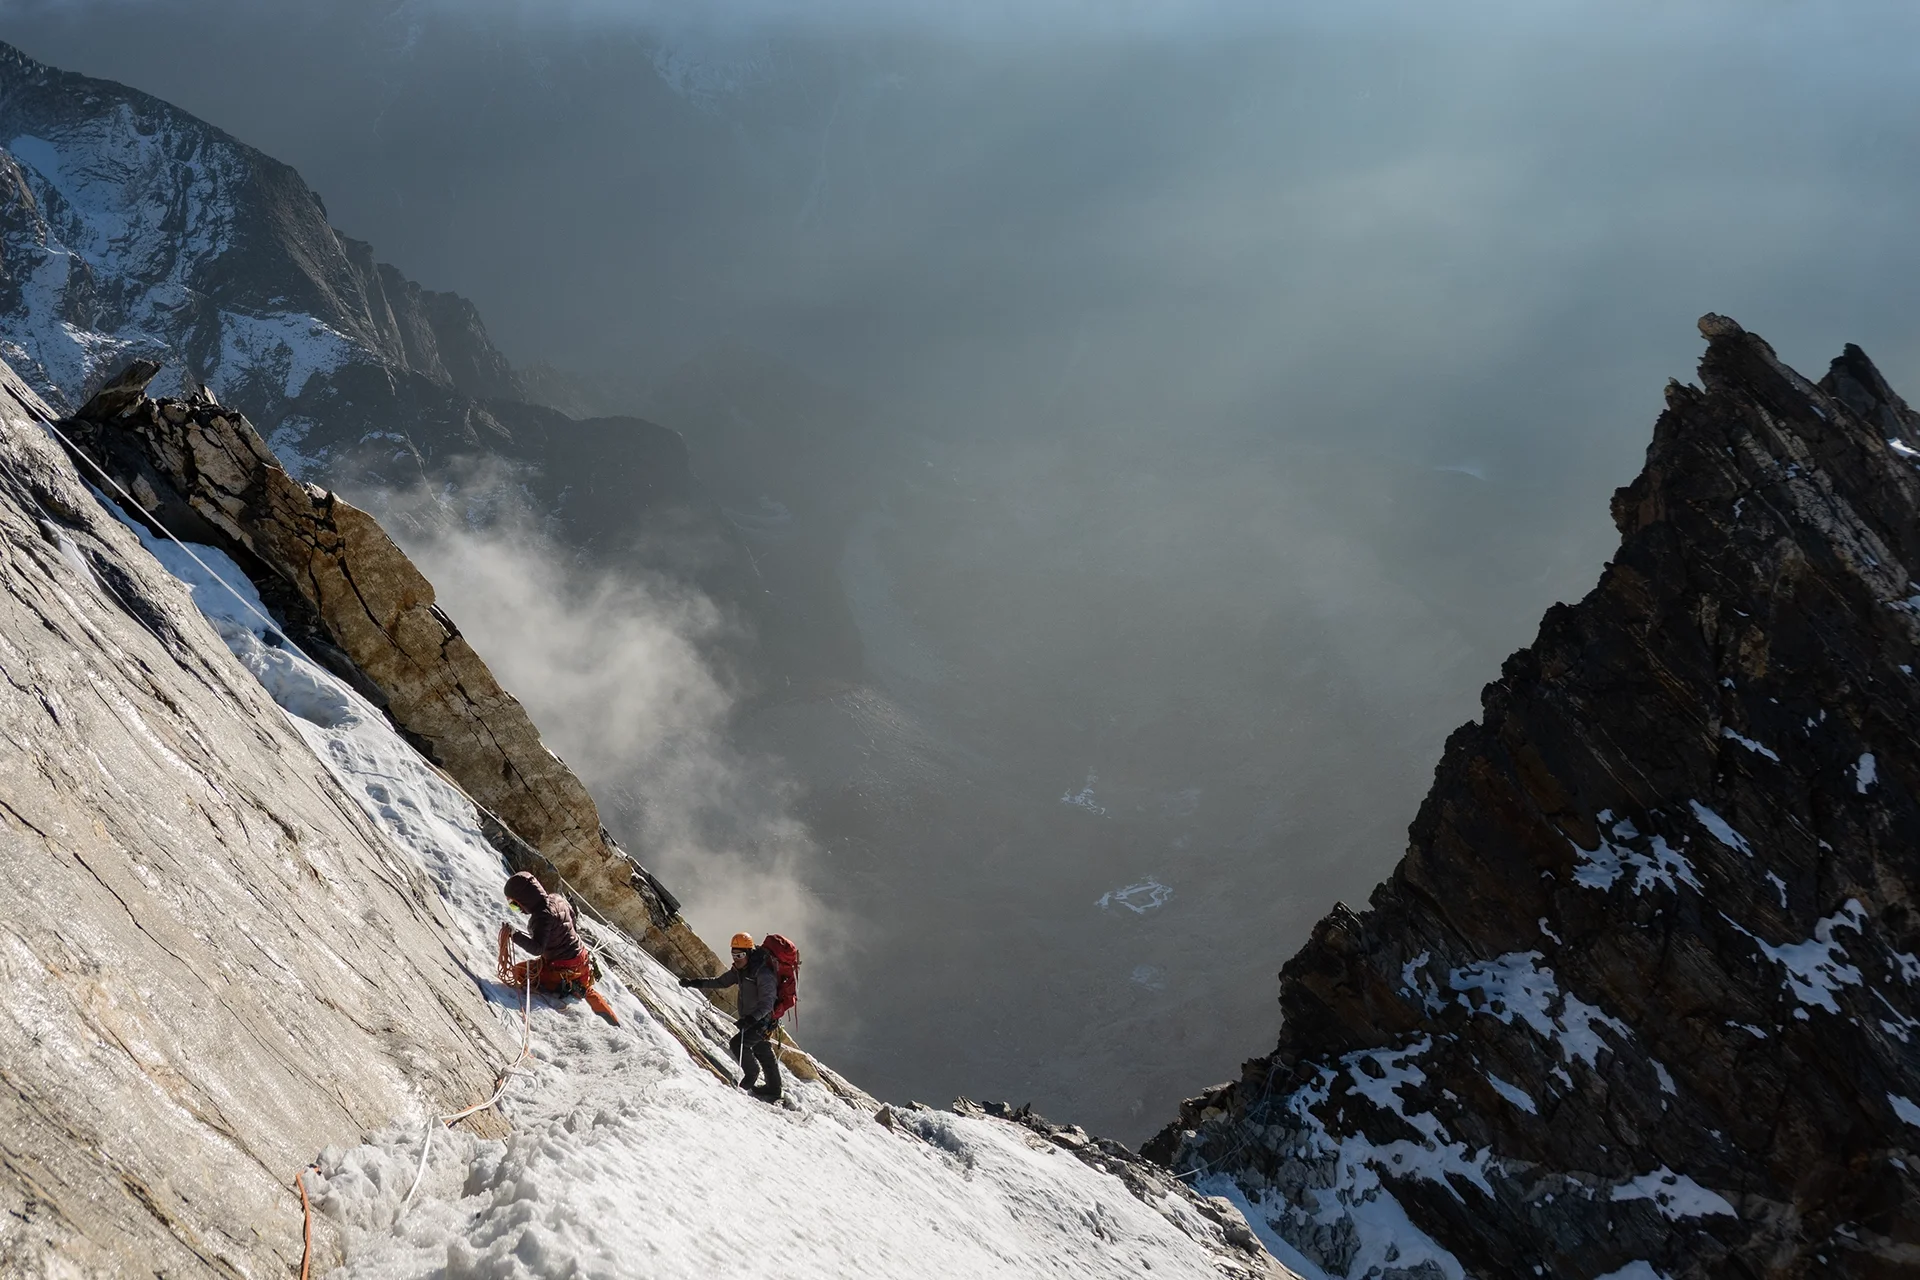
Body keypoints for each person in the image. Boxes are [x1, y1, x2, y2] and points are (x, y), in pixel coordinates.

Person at [496, 871, 619, 1026]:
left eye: (515, 904)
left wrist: (514, 935)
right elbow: (573, 919)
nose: (517, 909)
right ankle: (613, 1021)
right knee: (584, 988)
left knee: (519, 972)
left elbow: (537, 949)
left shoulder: (541, 917)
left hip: (562, 968)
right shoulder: (557, 898)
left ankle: (564, 988)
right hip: (581, 958)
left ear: (524, 900)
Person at [680, 932, 782, 1101]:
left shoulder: (763, 974)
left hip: (762, 1020)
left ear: (749, 953)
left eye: (740, 955)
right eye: (734, 955)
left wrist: (751, 1019)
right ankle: (773, 1089)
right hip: (752, 1018)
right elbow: (721, 982)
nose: (736, 958)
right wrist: (695, 983)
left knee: (738, 1044)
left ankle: (751, 1074)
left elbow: (767, 1004)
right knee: (762, 1051)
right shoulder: (740, 970)